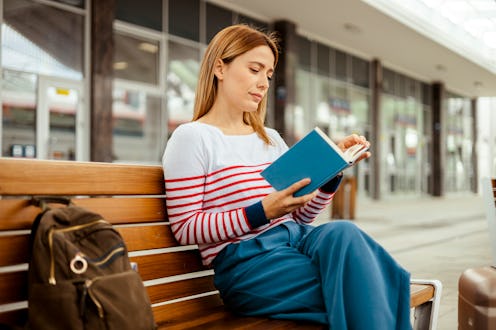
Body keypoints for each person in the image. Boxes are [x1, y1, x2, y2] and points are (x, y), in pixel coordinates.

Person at [162, 24, 412, 329]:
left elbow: (302, 216)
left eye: (268, 75)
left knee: (343, 233)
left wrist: (331, 172)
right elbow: (185, 227)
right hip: (249, 265)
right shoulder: (193, 137)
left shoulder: (269, 138)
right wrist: (262, 212)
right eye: (254, 69)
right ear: (219, 68)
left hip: (299, 243)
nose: (263, 83)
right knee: (369, 284)